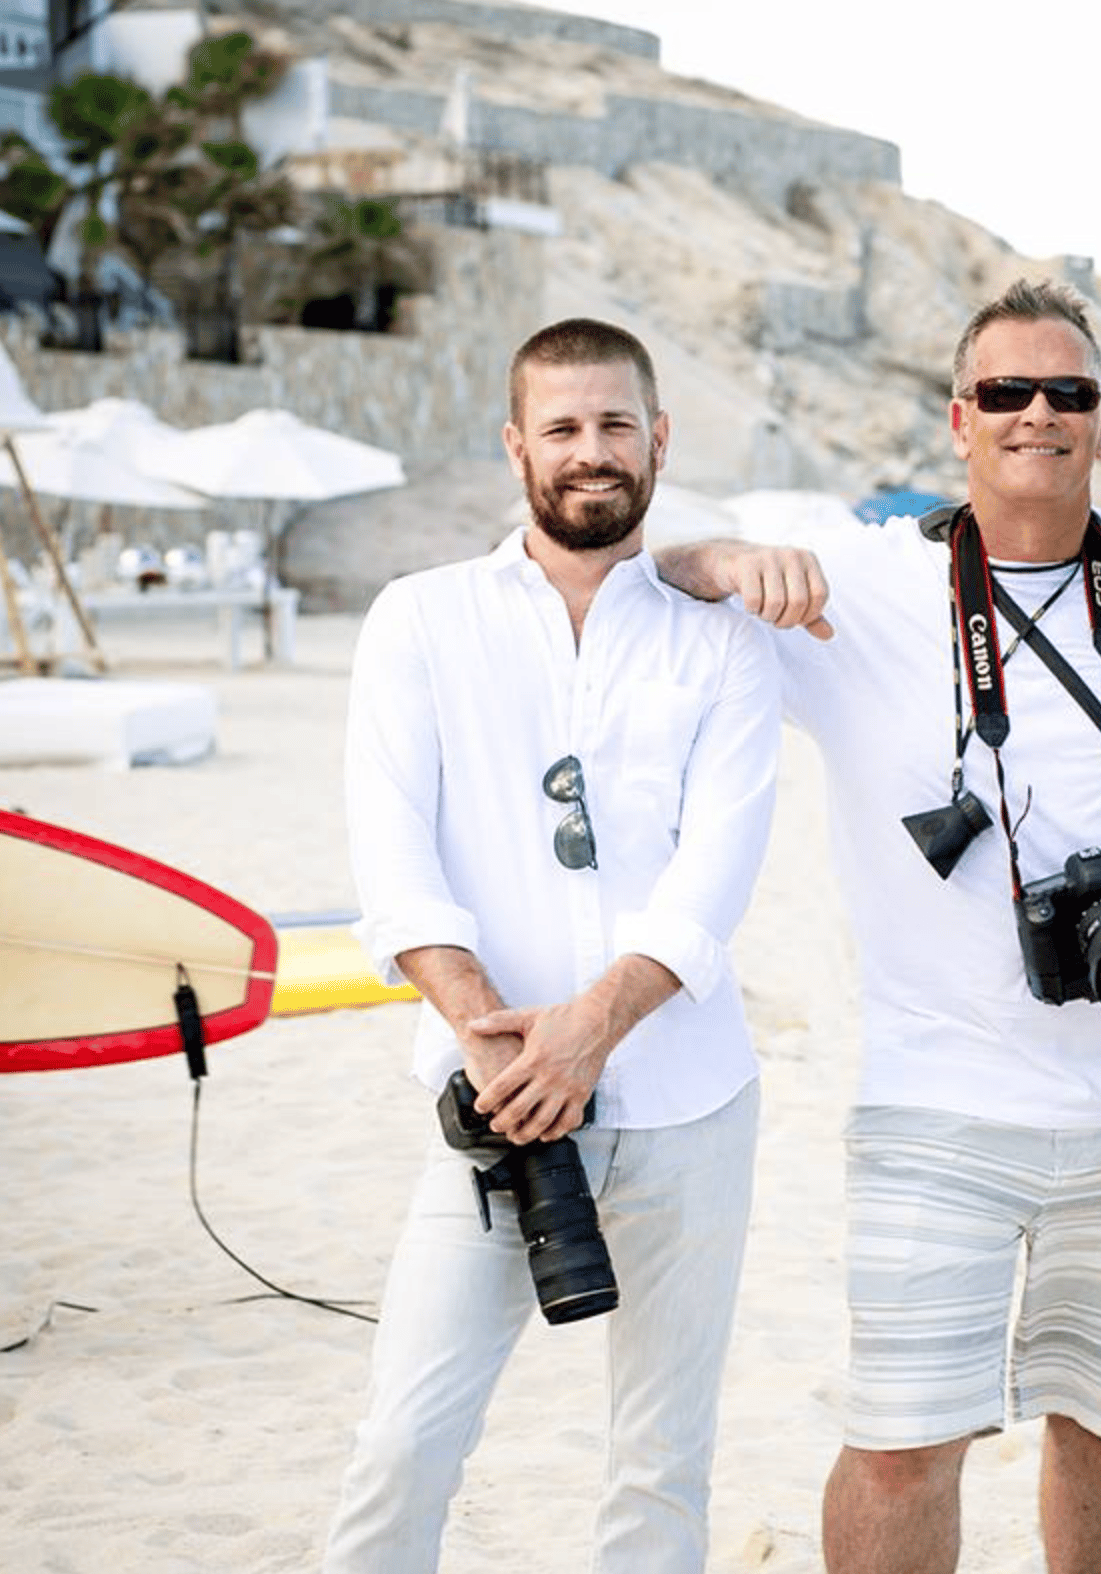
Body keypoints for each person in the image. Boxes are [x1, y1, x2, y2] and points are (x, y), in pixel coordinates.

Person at [658, 278, 1101, 1574]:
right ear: (956, 418)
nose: (1039, 414)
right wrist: (719, 559)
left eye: (1067, 393)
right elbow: (657, 583)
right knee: (903, 1436)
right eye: (1008, 393)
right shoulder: (855, 584)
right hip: (935, 1098)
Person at [321, 318, 780, 1573]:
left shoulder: (724, 632)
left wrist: (588, 1028)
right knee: (404, 1442)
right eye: (563, 427)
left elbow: (714, 873)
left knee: (659, 1464)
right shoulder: (418, 619)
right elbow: (395, 862)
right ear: (516, 443)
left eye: (615, 424)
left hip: (689, 1103)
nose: (592, 452)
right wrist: (501, 1044)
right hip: (494, 1101)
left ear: (658, 439)